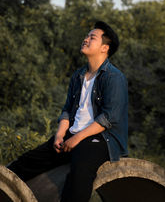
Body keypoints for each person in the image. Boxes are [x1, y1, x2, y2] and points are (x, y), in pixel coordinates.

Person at [7, 21, 128, 202]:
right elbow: (67, 110)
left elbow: (109, 118)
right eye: (86, 36)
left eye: (92, 37)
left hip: (102, 139)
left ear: (104, 48)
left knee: (79, 174)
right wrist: (59, 135)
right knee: (25, 163)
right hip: (72, 134)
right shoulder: (79, 75)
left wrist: (77, 138)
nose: (85, 39)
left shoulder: (114, 77)